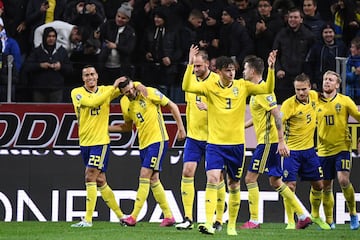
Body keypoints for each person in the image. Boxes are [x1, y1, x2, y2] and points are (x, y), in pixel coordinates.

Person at [182, 47, 278, 236]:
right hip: (215, 144)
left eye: (233, 69)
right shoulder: (210, 87)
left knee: (233, 184)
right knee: (212, 178)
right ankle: (209, 223)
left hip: (236, 145)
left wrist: (271, 69)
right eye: (228, 70)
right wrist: (190, 65)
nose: (232, 73)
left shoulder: (242, 86)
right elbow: (187, 86)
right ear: (219, 71)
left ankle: (231, 225)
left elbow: (267, 88)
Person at [239, 56, 313, 230]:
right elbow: (260, 116)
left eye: (245, 68)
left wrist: (281, 142)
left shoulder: (263, 92)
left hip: (267, 143)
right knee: (275, 182)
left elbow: (277, 115)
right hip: (269, 142)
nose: (243, 71)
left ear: (253, 71)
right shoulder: (259, 90)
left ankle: (254, 220)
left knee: (250, 178)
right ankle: (303, 215)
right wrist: (243, 125)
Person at [110, 76, 186, 227]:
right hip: (143, 144)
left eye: (132, 88)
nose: (131, 92)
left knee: (144, 174)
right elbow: (127, 127)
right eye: (127, 92)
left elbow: (172, 106)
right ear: (123, 93)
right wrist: (105, 128)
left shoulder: (148, 92)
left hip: (158, 140)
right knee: (153, 179)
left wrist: (181, 128)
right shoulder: (124, 103)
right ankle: (169, 216)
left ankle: (133, 216)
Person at [175, 47, 226, 231]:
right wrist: (185, 129)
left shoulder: (218, 82)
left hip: (214, 137)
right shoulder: (190, 81)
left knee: (216, 177)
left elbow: (228, 110)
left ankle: (218, 219)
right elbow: (189, 108)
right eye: (193, 66)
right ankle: (188, 218)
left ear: (207, 63)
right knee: (187, 171)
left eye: (198, 66)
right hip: (194, 137)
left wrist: (210, 108)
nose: (195, 69)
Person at [70, 65, 125, 227]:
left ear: (97, 75)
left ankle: (87, 219)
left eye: (92, 74)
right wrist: (113, 88)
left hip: (100, 142)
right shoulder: (77, 93)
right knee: (100, 180)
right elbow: (93, 102)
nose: (90, 77)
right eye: (86, 75)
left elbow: (126, 86)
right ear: (83, 78)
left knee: (90, 176)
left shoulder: (106, 90)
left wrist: (137, 85)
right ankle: (122, 217)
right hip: (85, 142)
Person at [280, 73, 329, 230]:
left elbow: (327, 98)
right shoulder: (289, 105)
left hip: (309, 151)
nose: (301, 93)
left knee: (319, 185)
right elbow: (278, 123)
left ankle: (315, 215)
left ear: (309, 87)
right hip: (291, 151)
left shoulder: (314, 96)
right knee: (290, 186)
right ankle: (290, 221)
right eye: (297, 89)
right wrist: (281, 143)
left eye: (303, 89)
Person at [317, 70, 360, 230]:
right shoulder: (316, 101)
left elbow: (358, 116)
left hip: (342, 147)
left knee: (343, 180)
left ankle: (353, 215)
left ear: (337, 84)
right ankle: (329, 221)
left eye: (331, 80)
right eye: (325, 79)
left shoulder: (345, 100)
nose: (327, 82)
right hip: (323, 150)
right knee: (326, 186)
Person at [272, 7, 315, 103]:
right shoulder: (281, 34)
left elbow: (312, 57)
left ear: (301, 19)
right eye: (290, 17)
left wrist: (307, 73)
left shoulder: (309, 35)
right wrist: (278, 69)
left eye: (295, 17)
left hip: (301, 78)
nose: (292, 20)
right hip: (284, 77)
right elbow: (274, 54)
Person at [24, 26, 72, 102]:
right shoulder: (37, 51)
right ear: (44, 37)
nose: (51, 39)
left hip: (56, 89)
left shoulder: (62, 51)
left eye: (53, 36)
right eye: (49, 36)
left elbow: (69, 68)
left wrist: (60, 66)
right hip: (39, 89)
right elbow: (27, 66)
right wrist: (40, 65)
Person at [345, 36, 360, 104]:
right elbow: (345, 77)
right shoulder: (348, 60)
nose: (350, 49)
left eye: (353, 47)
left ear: (359, 49)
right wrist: (355, 73)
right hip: (351, 94)